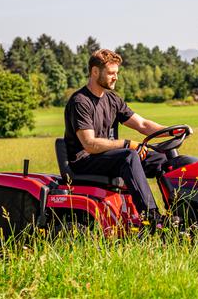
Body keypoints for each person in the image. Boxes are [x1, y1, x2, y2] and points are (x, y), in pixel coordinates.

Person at [64, 49, 168, 223]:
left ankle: (182, 210)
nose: (116, 77)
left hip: (106, 158)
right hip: (85, 161)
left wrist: (170, 131)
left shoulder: (113, 99)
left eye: (117, 73)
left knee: (161, 159)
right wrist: (127, 144)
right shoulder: (80, 101)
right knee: (129, 156)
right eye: (111, 73)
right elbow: (89, 144)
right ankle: (152, 218)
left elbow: (142, 124)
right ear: (95, 71)